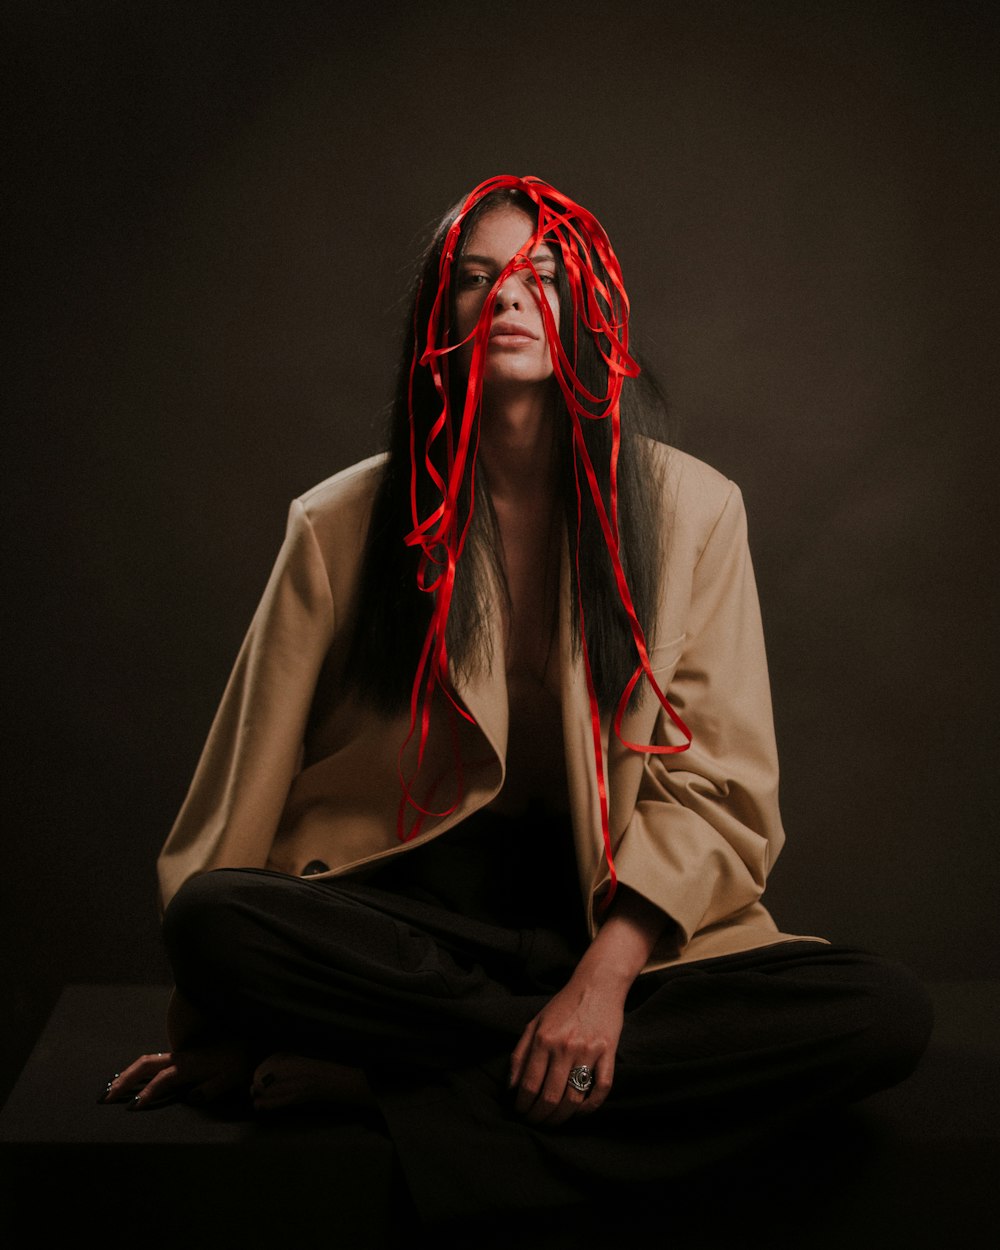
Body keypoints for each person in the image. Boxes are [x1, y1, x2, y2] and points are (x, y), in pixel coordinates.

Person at [100, 175, 932, 1226]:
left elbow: (718, 790)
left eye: (540, 275)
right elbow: (240, 795)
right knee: (217, 919)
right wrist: (214, 1021)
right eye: (477, 278)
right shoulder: (337, 521)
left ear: (591, 313)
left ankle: (411, 1083)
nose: (507, 297)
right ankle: (530, 1064)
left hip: (614, 920)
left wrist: (605, 980)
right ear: (437, 318)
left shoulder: (696, 510)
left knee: (882, 1014)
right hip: (410, 921)